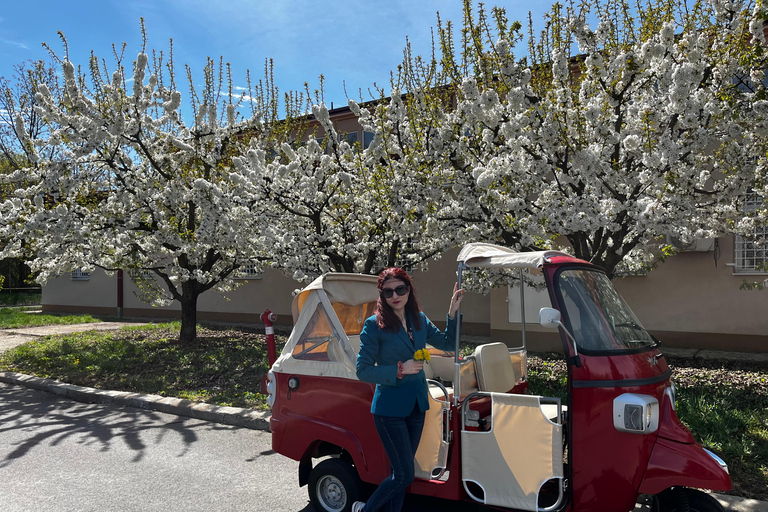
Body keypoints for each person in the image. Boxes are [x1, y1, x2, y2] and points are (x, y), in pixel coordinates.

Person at [353, 267, 464, 512]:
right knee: (404, 476)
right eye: (388, 291)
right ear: (382, 295)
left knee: (399, 473)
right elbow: (362, 370)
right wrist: (399, 369)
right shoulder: (374, 326)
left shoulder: (419, 320)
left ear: (408, 289)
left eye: (400, 289)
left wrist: (452, 313)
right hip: (389, 410)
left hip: (416, 406)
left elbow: (448, 344)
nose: (395, 295)